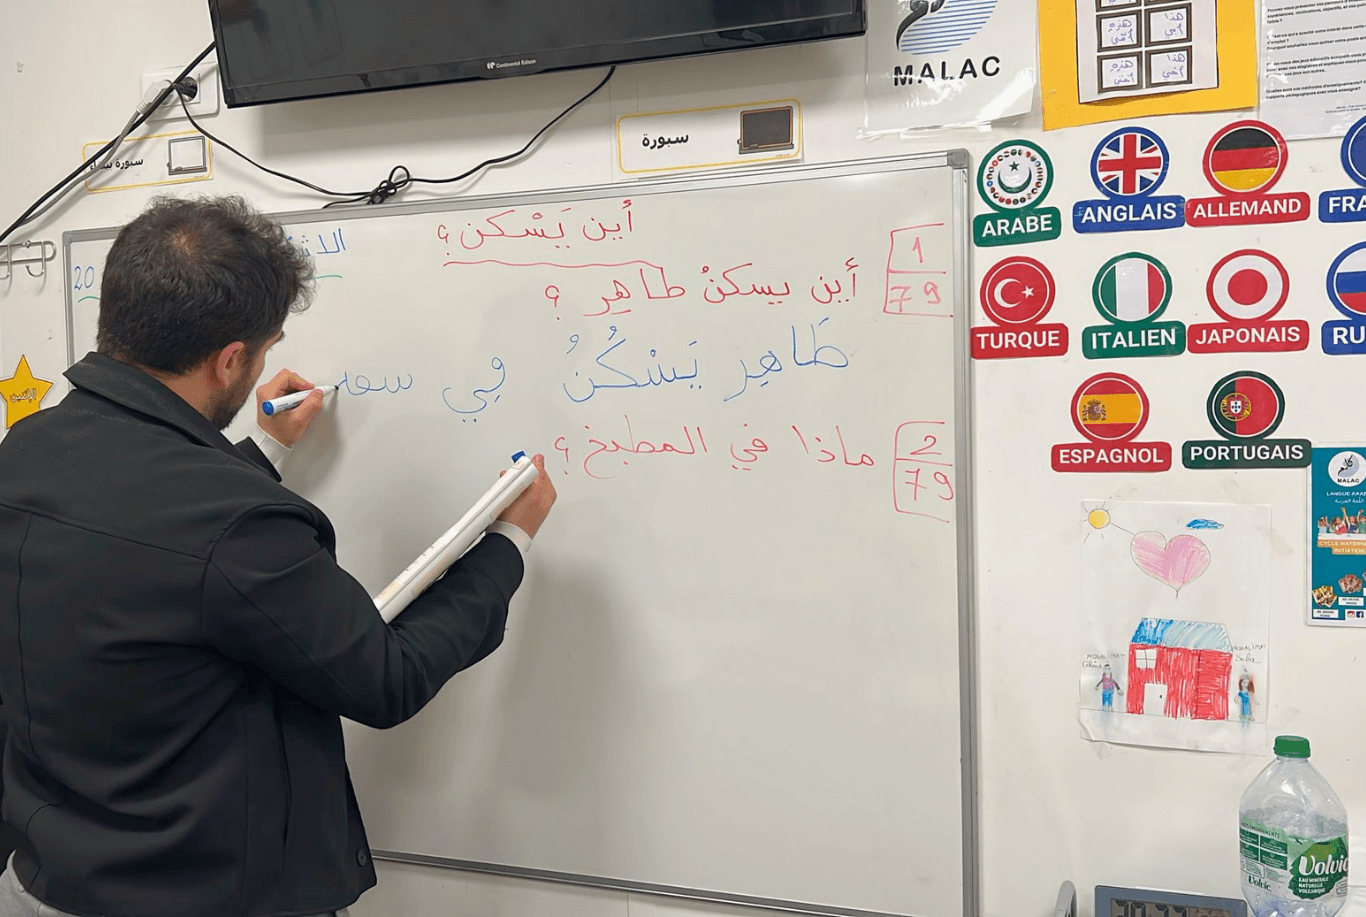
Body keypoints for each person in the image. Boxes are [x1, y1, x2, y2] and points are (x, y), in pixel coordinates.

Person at [0, 195, 557, 917]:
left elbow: (160, 542)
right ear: (230, 360)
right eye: (262, 350)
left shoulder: (26, 450)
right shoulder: (234, 523)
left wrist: (261, 448)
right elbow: (386, 677)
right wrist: (509, 541)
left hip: (51, 880)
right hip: (207, 893)